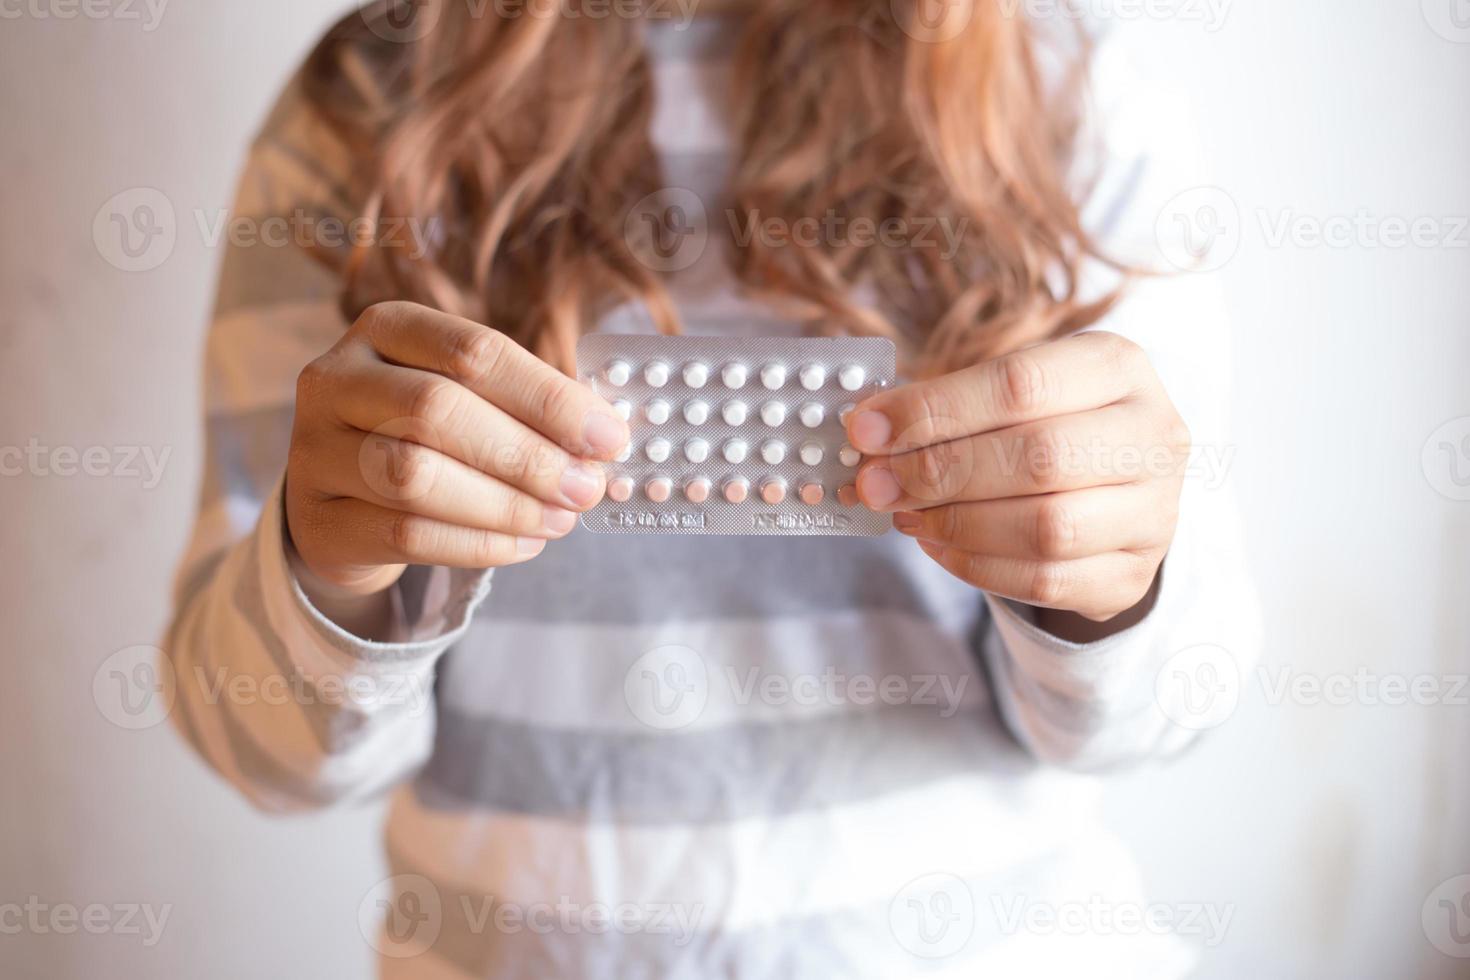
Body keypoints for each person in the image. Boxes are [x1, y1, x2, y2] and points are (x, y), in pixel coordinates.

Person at [165, 0, 1257, 975]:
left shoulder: (1066, 83)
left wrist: (1106, 591)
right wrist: (330, 572)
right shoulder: (369, 99)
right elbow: (256, 745)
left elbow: (1179, 699)